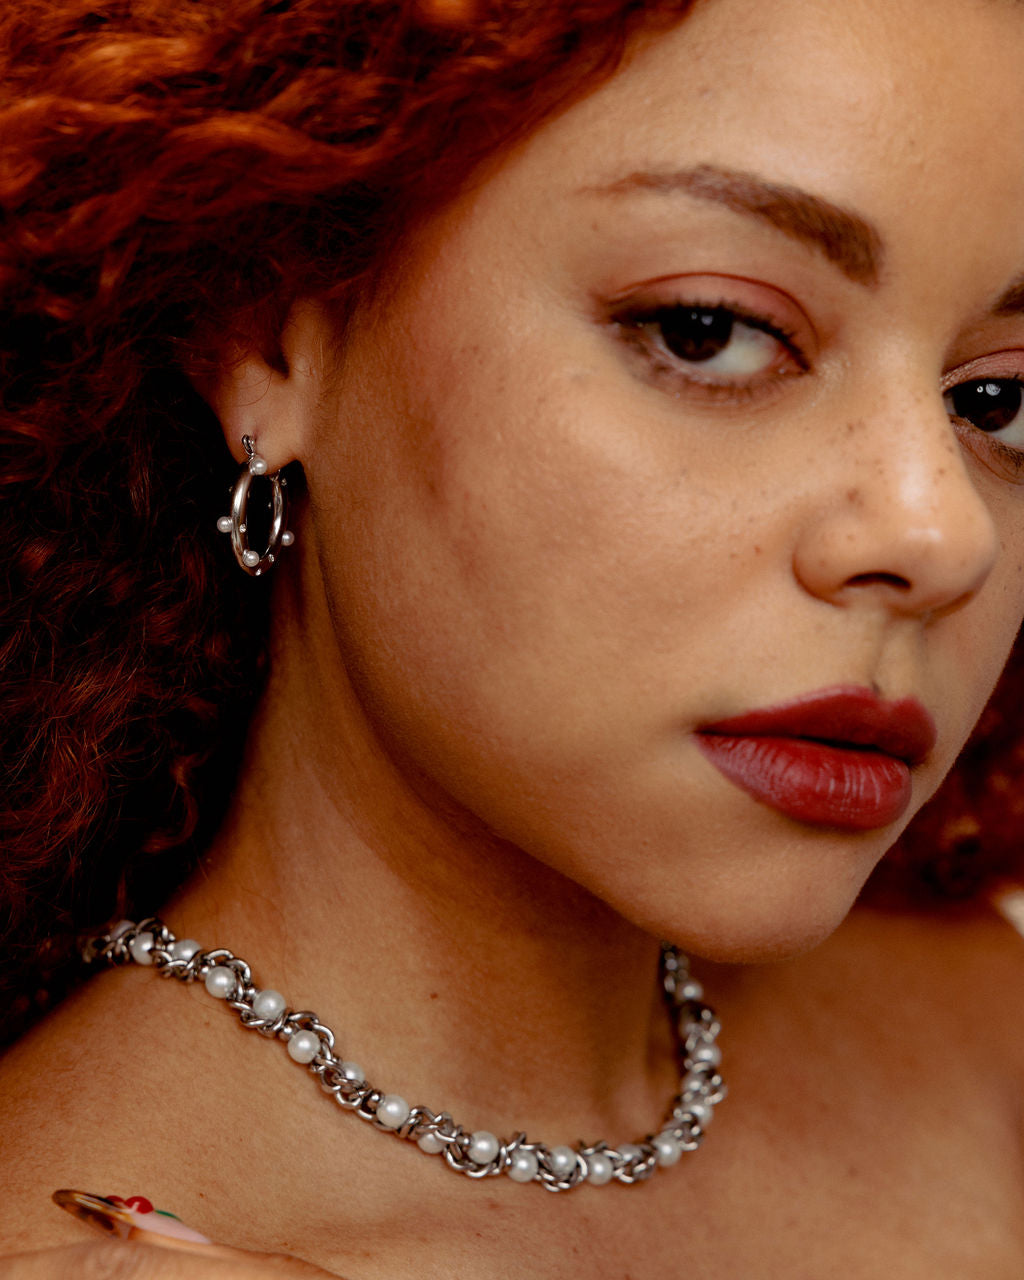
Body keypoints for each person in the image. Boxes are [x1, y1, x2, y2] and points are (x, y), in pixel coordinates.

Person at [2, 0, 1024, 1274]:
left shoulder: (983, 1032)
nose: (942, 533)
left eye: (998, 400)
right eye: (708, 330)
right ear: (269, 336)